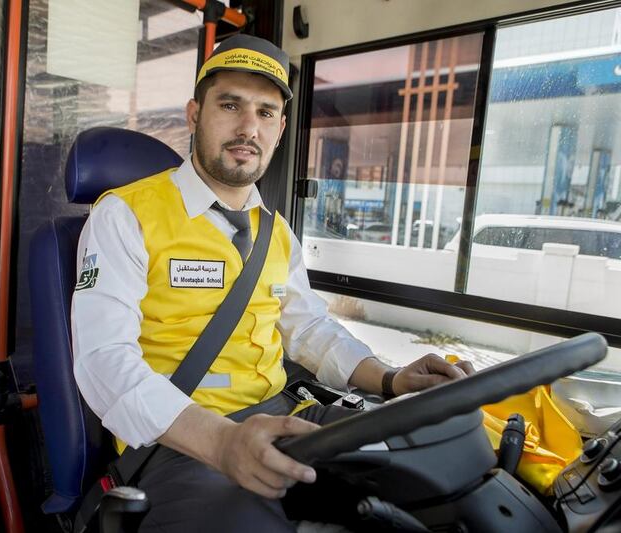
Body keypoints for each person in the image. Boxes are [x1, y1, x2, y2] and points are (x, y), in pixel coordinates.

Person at [72, 34, 474, 532]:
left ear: (281, 129)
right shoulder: (124, 215)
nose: (248, 128)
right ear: (195, 114)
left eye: (265, 113)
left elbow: (309, 330)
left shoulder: (276, 231)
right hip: (182, 442)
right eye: (230, 105)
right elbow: (103, 360)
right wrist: (220, 441)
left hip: (287, 417)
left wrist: (390, 378)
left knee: (449, 455)